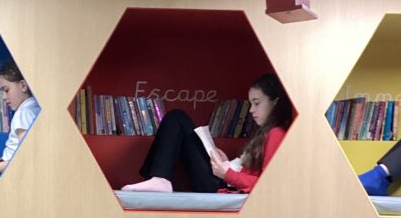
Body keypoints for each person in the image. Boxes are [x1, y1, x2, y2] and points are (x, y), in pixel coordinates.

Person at [121, 72, 293, 193]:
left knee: (178, 118)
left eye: (256, 103)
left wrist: (227, 173)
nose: (251, 110)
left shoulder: (276, 134)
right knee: (176, 118)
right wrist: (226, 162)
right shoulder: (264, 132)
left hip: (220, 185)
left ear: (275, 102)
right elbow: (248, 171)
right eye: (250, 104)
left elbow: (267, 186)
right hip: (222, 179)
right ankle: (159, 179)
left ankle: (160, 179)